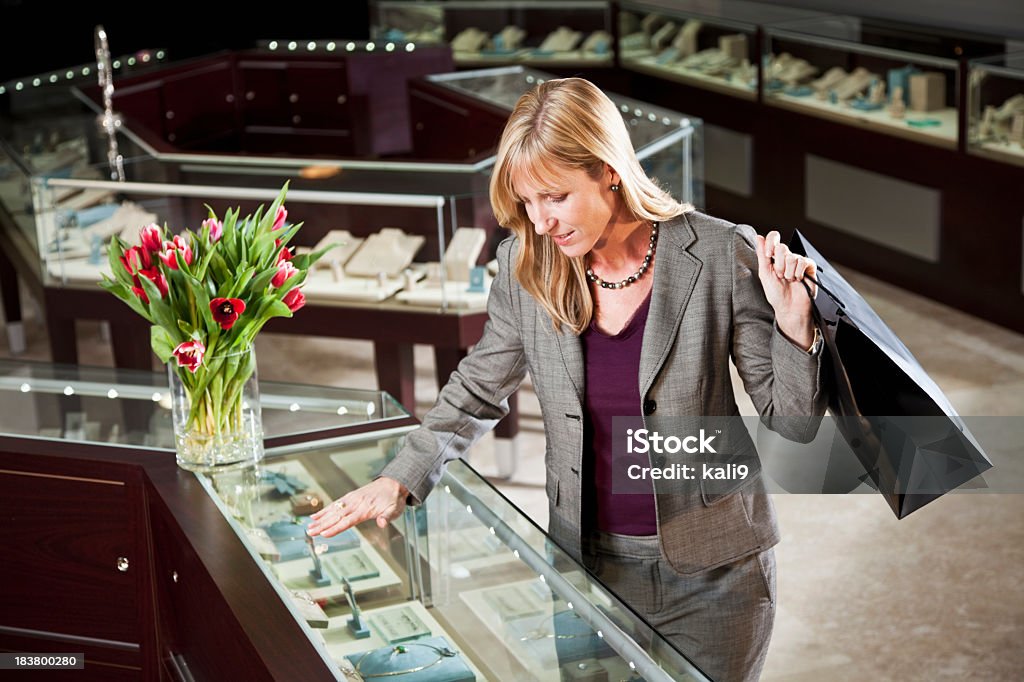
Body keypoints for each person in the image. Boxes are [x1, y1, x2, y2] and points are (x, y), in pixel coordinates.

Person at [308, 77, 827, 681]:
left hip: (715, 573)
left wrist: (794, 322)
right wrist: (402, 477)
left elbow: (793, 422)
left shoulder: (719, 252)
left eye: (554, 196)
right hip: (585, 564)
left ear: (608, 170)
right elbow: (478, 387)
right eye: (527, 202)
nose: (541, 221)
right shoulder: (524, 262)